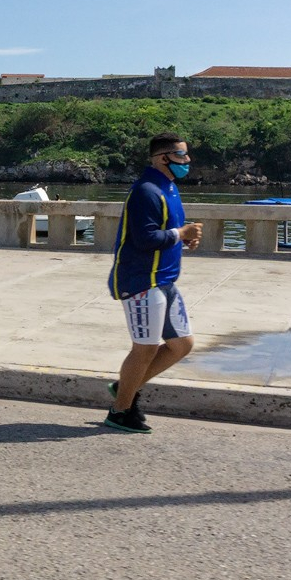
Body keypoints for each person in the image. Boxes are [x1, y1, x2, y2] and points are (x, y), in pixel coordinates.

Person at [103, 132, 202, 433]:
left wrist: (184, 239)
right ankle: (121, 411)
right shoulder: (146, 191)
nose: (187, 161)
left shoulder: (168, 188)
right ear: (163, 158)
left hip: (165, 281)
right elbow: (145, 239)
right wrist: (181, 234)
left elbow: (167, 232)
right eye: (182, 156)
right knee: (145, 349)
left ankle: (125, 387)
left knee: (181, 345)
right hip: (142, 282)